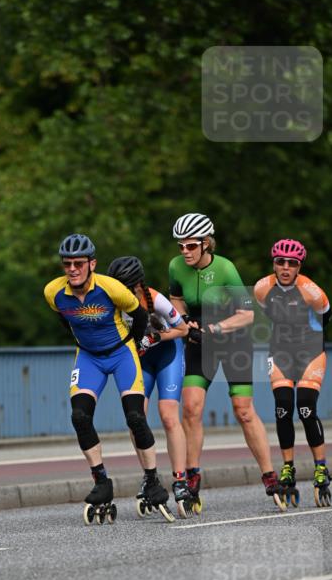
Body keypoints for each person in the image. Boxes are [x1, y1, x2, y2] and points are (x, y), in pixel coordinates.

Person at [44, 233, 171, 519]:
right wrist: (85, 342)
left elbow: (139, 317)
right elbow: (65, 318)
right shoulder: (53, 292)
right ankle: (101, 482)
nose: (73, 269)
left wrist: (138, 346)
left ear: (92, 263)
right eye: (67, 264)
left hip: (121, 353)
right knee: (79, 417)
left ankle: (151, 479)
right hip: (88, 357)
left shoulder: (112, 288)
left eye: (79, 263)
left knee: (136, 417)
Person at [168, 212, 284, 507]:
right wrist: (182, 319)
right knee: (191, 407)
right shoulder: (176, 267)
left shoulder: (226, 269)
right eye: (181, 246)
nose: (185, 252)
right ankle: (192, 476)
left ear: (207, 244)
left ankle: (269, 475)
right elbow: (176, 297)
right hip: (200, 342)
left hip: (234, 341)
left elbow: (246, 315)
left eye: (191, 246)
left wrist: (215, 328)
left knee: (243, 410)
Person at [106, 255, 194, 517]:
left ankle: (180, 479)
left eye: (124, 287)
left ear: (135, 285)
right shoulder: (111, 302)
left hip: (167, 355)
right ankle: (149, 474)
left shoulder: (154, 299)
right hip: (141, 361)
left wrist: (155, 336)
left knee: (168, 415)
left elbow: (184, 330)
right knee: (136, 418)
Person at [254, 238, 332, 506]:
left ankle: (320, 467)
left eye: (292, 263)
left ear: (299, 266)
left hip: (310, 352)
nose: (286, 267)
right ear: (273, 264)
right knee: (283, 408)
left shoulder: (311, 290)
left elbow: (326, 316)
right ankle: (288, 466)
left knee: (306, 409)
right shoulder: (262, 288)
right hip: (280, 352)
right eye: (280, 262)